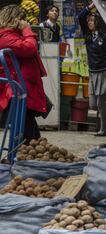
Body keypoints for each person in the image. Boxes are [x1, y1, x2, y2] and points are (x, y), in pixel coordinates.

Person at [0, 5, 47, 142]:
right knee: (27, 132)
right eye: (22, 19)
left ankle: (26, 155)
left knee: (30, 131)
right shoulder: (6, 38)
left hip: (22, 87)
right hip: (16, 90)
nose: (25, 22)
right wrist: (27, 31)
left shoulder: (12, 35)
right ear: (15, 19)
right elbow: (30, 48)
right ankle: (21, 158)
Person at [77, 2, 106, 137]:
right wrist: (90, 6)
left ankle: (103, 129)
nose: (89, 22)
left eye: (92, 20)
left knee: (100, 103)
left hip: (104, 72)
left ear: (97, 22)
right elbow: (80, 17)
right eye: (88, 20)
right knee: (93, 105)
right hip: (93, 73)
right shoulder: (87, 36)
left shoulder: (105, 36)